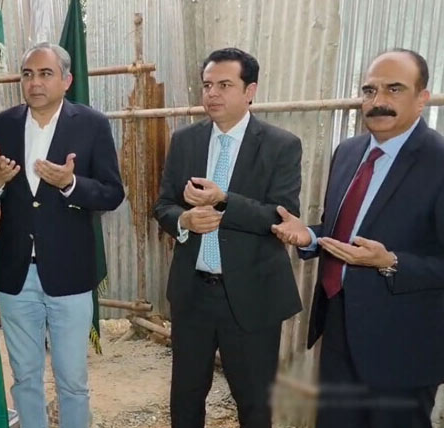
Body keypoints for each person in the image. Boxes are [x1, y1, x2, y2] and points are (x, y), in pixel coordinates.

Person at [272, 49, 444, 428]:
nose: (378, 101)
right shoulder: (348, 152)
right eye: (369, 90)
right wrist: (310, 236)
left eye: (394, 89)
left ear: (422, 98)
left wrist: (391, 262)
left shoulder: (438, 160)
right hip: (339, 326)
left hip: (404, 344)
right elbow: (342, 232)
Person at [154, 47, 303, 428]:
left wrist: (224, 200)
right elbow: (163, 205)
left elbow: (281, 216)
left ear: (250, 91)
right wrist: (184, 219)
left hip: (252, 296)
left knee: (254, 403)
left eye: (224, 85)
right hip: (193, 294)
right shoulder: (185, 140)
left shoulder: (280, 145)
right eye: (207, 85)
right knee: (186, 398)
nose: (212, 94)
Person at [0, 41, 124, 428]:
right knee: (25, 377)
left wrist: (70, 184)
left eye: (45, 74)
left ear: (66, 80)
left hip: (70, 272)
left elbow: (113, 193)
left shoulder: (92, 125)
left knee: (72, 381)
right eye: (27, 74)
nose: (35, 83)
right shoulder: (0, 127)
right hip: (15, 273)